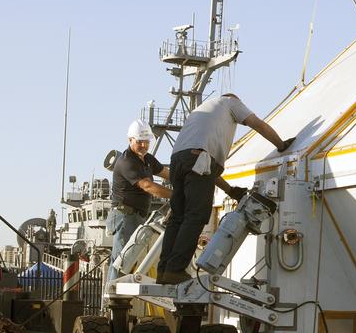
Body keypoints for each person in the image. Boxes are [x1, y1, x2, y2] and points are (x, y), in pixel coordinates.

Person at [157, 94, 291, 284]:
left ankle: (164, 272)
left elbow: (202, 165)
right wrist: (281, 145)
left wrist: (229, 190)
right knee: (196, 215)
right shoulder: (231, 103)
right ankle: (176, 269)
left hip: (178, 160)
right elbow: (258, 124)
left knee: (178, 217)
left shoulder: (201, 112)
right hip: (198, 158)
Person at [107, 119, 170, 282]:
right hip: (125, 216)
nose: (143, 145)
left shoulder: (148, 159)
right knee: (122, 260)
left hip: (137, 216)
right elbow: (147, 186)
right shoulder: (127, 161)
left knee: (130, 259)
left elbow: (166, 173)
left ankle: (119, 297)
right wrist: (177, 195)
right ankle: (112, 299)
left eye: (146, 141)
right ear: (130, 140)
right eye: (140, 141)